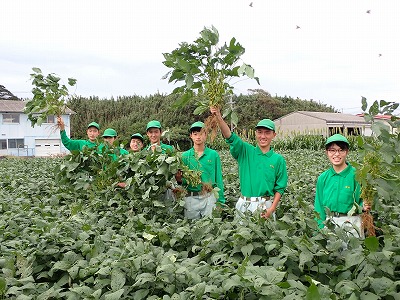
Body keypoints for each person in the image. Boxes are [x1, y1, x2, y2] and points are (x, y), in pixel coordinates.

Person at [210, 107, 288, 219]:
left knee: (264, 235)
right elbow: (230, 137)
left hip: (265, 204)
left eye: (267, 133)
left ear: (274, 135)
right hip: (244, 203)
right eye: (260, 132)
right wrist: (218, 117)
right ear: (255, 133)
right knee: (242, 234)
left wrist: (272, 208)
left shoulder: (278, 159)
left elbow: (280, 188)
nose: (263, 136)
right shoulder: (246, 151)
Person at [314, 134, 370, 237]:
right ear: (326, 152)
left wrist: (365, 205)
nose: (336, 154)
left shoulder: (357, 175)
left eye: (341, 150)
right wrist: (319, 229)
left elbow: (362, 200)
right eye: (332, 150)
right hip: (329, 222)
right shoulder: (323, 177)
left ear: (347, 152)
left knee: (354, 252)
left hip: (352, 222)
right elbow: (319, 206)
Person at [175, 121, 225, 219]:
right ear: (191, 136)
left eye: (201, 133)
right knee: (192, 228)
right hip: (191, 198)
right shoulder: (185, 156)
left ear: (206, 135)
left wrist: (220, 202)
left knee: (210, 227)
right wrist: (180, 180)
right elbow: (183, 180)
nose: (198, 137)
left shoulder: (213, 155)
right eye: (195, 134)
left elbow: (218, 179)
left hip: (209, 196)